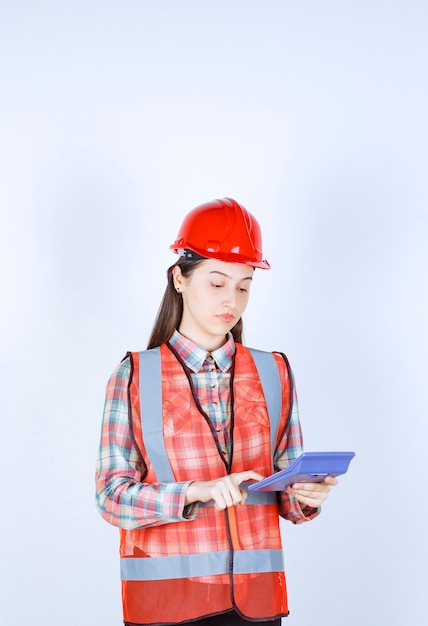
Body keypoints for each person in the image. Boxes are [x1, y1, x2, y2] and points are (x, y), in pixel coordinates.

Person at [95, 197, 337, 626]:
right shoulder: (134, 376)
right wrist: (196, 491)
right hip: (167, 606)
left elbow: (284, 487)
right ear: (180, 279)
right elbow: (112, 498)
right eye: (217, 282)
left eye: (244, 286)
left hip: (256, 606)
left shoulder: (273, 370)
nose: (232, 300)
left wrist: (306, 497)